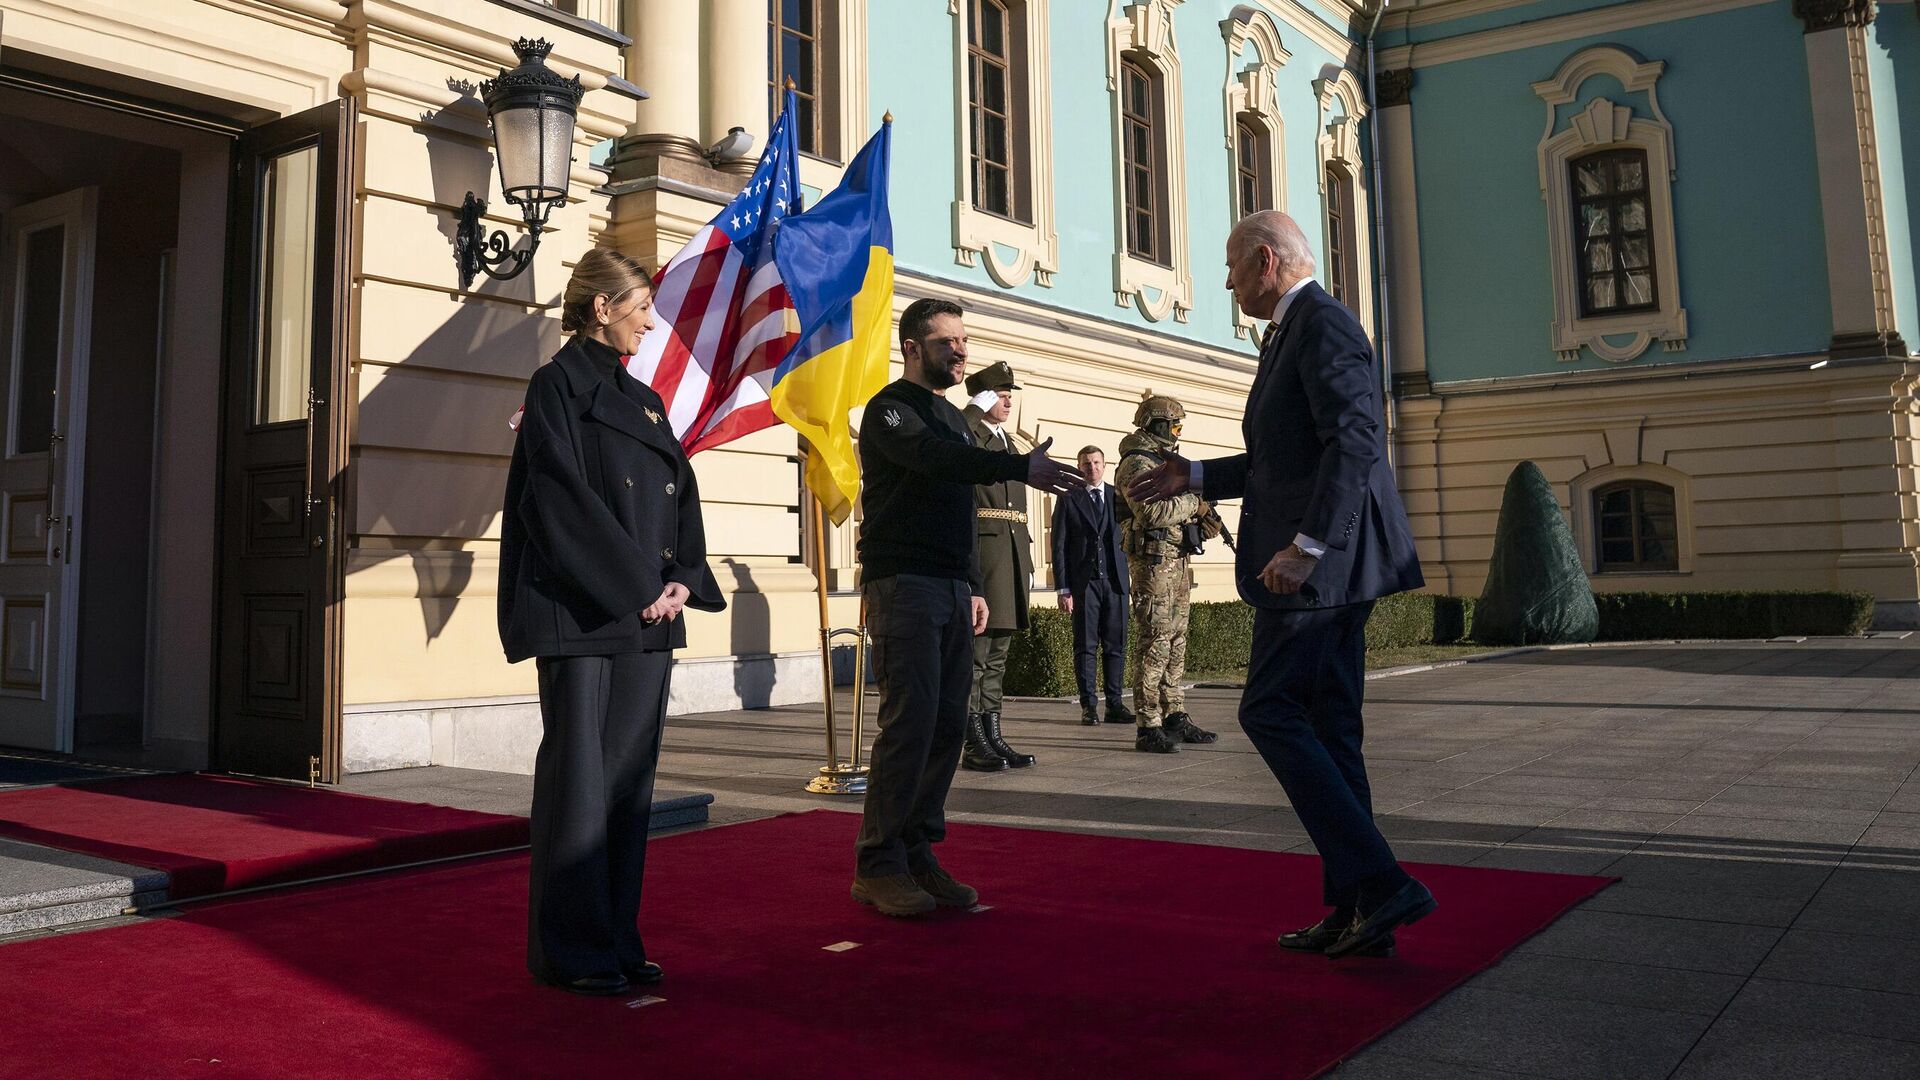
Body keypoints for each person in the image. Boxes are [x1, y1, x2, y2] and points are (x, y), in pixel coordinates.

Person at [1127, 209, 1432, 960]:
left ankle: (1382, 882)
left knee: (1269, 711)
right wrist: (1194, 474)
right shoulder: (1296, 330)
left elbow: (1354, 441)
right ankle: (1360, 908)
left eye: (1232, 267)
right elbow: (1282, 459)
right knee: (1331, 733)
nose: (1226, 281)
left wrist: (1307, 545)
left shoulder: (1321, 325)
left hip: (1317, 571)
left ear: (1266, 261)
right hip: (1322, 565)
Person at [498, 247, 727, 996]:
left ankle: (616, 940)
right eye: (640, 309)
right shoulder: (554, 387)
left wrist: (683, 581)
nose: (650, 323)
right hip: (582, 613)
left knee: (628, 788)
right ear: (601, 308)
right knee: (580, 786)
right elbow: (557, 500)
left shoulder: (646, 399)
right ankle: (570, 951)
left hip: (649, 616)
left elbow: (678, 495)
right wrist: (636, 585)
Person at [852, 297, 1085, 917]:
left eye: (963, 340)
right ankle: (878, 864)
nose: (960, 351)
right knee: (911, 722)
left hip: (951, 589)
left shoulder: (955, 420)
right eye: (946, 342)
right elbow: (933, 461)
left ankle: (919, 853)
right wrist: (1015, 464)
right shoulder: (891, 412)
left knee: (949, 725)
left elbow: (960, 513)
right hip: (902, 584)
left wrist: (973, 586)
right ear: (912, 348)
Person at [1113, 394, 1221, 753]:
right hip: (1152, 565)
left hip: (1176, 561)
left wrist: (1202, 517)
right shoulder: (1136, 462)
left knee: (1176, 640)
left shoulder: (1166, 461)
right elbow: (1150, 514)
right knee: (1155, 640)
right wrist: (1195, 500)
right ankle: (1148, 723)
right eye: (1174, 426)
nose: (1177, 432)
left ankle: (1174, 713)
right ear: (1157, 425)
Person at [962, 360, 1037, 771]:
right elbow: (954, 436)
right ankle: (973, 742)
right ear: (984, 397)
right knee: (976, 657)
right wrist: (974, 408)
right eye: (1001, 396)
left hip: (1009, 562)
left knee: (997, 658)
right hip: (985, 561)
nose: (1008, 402)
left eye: (1009, 396)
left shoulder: (1008, 444)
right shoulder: (968, 434)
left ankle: (993, 735)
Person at [1051, 446, 1132, 727]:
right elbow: (1059, 545)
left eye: (1096, 462)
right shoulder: (1068, 498)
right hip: (1084, 584)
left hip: (1116, 582)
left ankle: (1115, 704)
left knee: (1116, 646)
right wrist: (1063, 589)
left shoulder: (1117, 496)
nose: (1092, 468)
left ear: (1105, 465)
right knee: (1085, 647)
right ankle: (1088, 706)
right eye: (1086, 463)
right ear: (1079, 466)